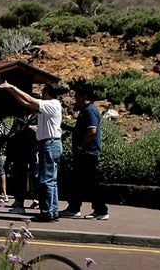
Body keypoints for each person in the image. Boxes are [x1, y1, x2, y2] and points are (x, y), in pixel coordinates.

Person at [0, 81, 65, 223]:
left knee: (46, 179)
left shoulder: (51, 104)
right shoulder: (50, 106)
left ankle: (47, 212)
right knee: (51, 180)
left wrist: (13, 87)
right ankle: (52, 210)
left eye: (43, 92)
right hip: (52, 143)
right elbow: (27, 103)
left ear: (48, 93)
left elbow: (29, 99)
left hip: (49, 143)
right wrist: (12, 92)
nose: (41, 94)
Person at [62, 85, 110, 220]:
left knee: (90, 182)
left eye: (77, 94)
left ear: (84, 96)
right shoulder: (85, 110)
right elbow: (84, 131)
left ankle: (101, 210)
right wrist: (69, 128)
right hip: (85, 152)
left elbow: (92, 131)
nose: (75, 97)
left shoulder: (90, 110)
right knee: (77, 181)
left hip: (88, 152)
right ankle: (74, 208)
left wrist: (81, 147)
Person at [4, 113, 37, 215]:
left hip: (23, 163)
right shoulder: (14, 138)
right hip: (17, 164)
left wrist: (30, 163)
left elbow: (30, 151)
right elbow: (9, 153)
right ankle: (18, 202)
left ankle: (20, 204)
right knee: (17, 184)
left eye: (16, 126)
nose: (13, 127)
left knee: (22, 185)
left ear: (22, 127)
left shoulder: (25, 137)